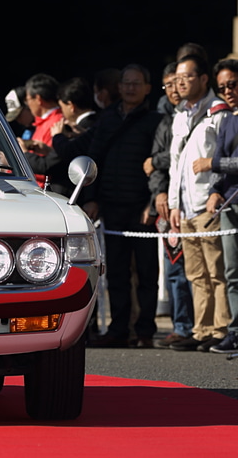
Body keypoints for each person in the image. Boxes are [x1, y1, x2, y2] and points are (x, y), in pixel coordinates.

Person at [85, 64, 164, 348]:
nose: (130, 88)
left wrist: (151, 204)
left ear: (148, 88)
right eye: (126, 83)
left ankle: (145, 331)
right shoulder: (107, 119)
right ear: (119, 87)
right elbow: (93, 159)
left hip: (142, 209)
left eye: (136, 83)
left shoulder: (157, 120)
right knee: (115, 272)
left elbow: (159, 166)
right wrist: (91, 198)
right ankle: (118, 330)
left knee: (146, 273)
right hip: (112, 205)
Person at [167, 54, 231, 353]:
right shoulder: (180, 113)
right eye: (178, 77)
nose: (181, 82)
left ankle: (221, 328)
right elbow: (176, 165)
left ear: (204, 79)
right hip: (186, 206)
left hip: (209, 203)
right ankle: (202, 329)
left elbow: (223, 157)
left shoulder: (219, 112)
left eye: (188, 76)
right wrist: (173, 203)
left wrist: (216, 192)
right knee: (195, 273)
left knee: (217, 270)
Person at [145, 62, 194, 347]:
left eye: (179, 82)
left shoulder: (203, 114)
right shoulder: (164, 121)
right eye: (169, 85)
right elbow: (154, 166)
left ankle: (200, 326)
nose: (175, 90)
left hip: (196, 201)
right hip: (168, 204)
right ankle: (181, 325)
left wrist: (156, 161)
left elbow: (164, 159)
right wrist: (159, 193)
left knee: (203, 272)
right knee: (175, 269)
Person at [204, 57, 238, 354]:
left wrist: (212, 163)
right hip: (229, 203)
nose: (228, 91)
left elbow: (223, 161)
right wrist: (215, 189)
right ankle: (235, 332)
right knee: (231, 272)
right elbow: (221, 161)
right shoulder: (227, 119)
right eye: (223, 87)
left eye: (233, 85)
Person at [26, 77, 97, 197]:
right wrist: (49, 150)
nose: (61, 112)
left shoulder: (77, 127)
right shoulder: (88, 126)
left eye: (62, 107)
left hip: (73, 193)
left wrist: (57, 136)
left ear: (71, 106)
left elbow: (60, 158)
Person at [19, 73, 63, 187]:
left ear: (38, 99)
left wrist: (22, 155)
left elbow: (50, 166)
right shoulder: (44, 122)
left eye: (28, 99)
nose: (28, 105)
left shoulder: (57, 123)